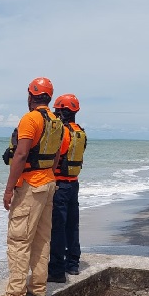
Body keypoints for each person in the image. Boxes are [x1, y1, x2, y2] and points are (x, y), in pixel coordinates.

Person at [0, 77, 64, 296]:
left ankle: (15, 295)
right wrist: (49, 176)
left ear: (31, 96)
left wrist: (9, 189)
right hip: (49, 183)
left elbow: (20, 155)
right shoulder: (56, 122)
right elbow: (56, 157)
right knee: (42, 239)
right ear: (49, 98)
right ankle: (38, 288)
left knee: (19, 240)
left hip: (31, 186)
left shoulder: (30, 119)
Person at [47, 94, 87, 283]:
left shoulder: (62, 133)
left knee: (58, 228)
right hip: (74, 183)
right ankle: (73, 263)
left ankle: (56, 268)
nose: (55, 113)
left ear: (62, 111)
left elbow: (56, 157)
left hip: (60, 185)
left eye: (57, 110)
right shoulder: (80, 132)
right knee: (73, 225)